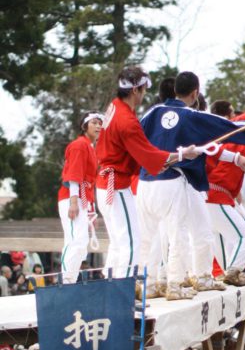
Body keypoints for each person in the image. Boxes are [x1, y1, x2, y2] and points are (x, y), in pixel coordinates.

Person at [137, 71, 245, 299]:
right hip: (174, 179)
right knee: (179, 235)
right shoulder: (191, 116)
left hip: (145, 181)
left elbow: (133, 137)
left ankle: (150, 283)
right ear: (195, 92)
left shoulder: (152, 113)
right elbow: (228, 128)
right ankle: (175, 284)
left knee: (151, 237)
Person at [95, 65, 199, 279]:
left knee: (120, 243)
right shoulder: (127, 121)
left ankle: (111, 289)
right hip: (117, 185)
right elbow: (148, 155)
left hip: (107, 183)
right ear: (135, 90)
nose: (144, 94)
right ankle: (121, 297)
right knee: (131, 244)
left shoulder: (114, 107)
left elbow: (143, 152)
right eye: (143, 89)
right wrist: (181, 155)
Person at [58, 111, 103, 283]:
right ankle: (66, 280)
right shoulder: (79, 145)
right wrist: (74, 203)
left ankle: (71, 278)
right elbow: (74, 176)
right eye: (94, 123)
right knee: (74, 240)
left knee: (81, 243)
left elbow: (88, 182)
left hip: (81, 199)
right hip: (71, 198)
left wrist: (91, 211)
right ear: (85, 126)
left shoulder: (90, 147)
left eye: (100, 123)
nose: (99, 126)